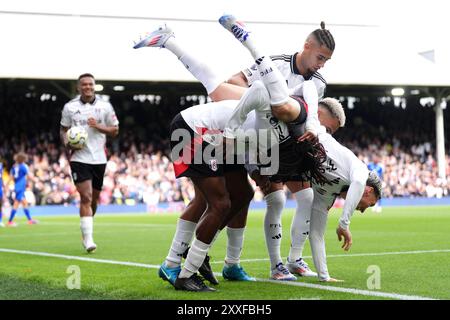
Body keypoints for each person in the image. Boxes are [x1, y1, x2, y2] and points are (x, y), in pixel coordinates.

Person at [134, 18, 327, 288]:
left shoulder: (285, 117)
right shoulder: (285, 103)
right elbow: (273, 92)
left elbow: (263, 141)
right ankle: (176, 266)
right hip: (193, 130)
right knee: (215, 203)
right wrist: (313, 126)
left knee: (241, 195)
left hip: (222, 130)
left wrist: (260, 164)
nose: (321, 64)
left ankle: (221, 262)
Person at [218, 14, 339, 280]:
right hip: (260, 139)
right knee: (277, 198)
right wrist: (265, 102)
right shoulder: (277, 64)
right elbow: (232, 82)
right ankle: (276, 267)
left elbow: (307, 116)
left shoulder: (317, 83)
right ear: (307, 46)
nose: (322, 65)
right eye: (320, 57)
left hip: (291, 144)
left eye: (326, 61)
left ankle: (295, 258)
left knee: (307, 197)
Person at [60, 73, 119, 253]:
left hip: (99, 158)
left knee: (94, 200)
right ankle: (89, 239)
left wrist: (97, 126)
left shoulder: (105, 106)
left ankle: (86, 228)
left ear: (94, 86)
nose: (87, 87)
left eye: (90, 85)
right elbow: (63, 130)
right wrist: (67, 143)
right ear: (79, 88)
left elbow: (115, 130)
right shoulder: (70, 107)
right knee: (85, 197)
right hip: (79, 157)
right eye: (84, 85)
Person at [5, 153, 38, 227]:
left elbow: (11, 177)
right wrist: (36, 180)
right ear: (22, 159)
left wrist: (6, 185)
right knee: (16, 204)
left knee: (24, 203)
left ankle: (30, 220)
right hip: (21, 187)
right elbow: (29, 175)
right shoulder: (23, 167)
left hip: (17, 186)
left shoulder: (14, 167)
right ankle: (9, 222)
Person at [0, 160, 5, 227]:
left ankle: (0, 221)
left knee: (0, 204)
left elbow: (1, 177)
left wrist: (3, 185)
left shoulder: (1, 165)